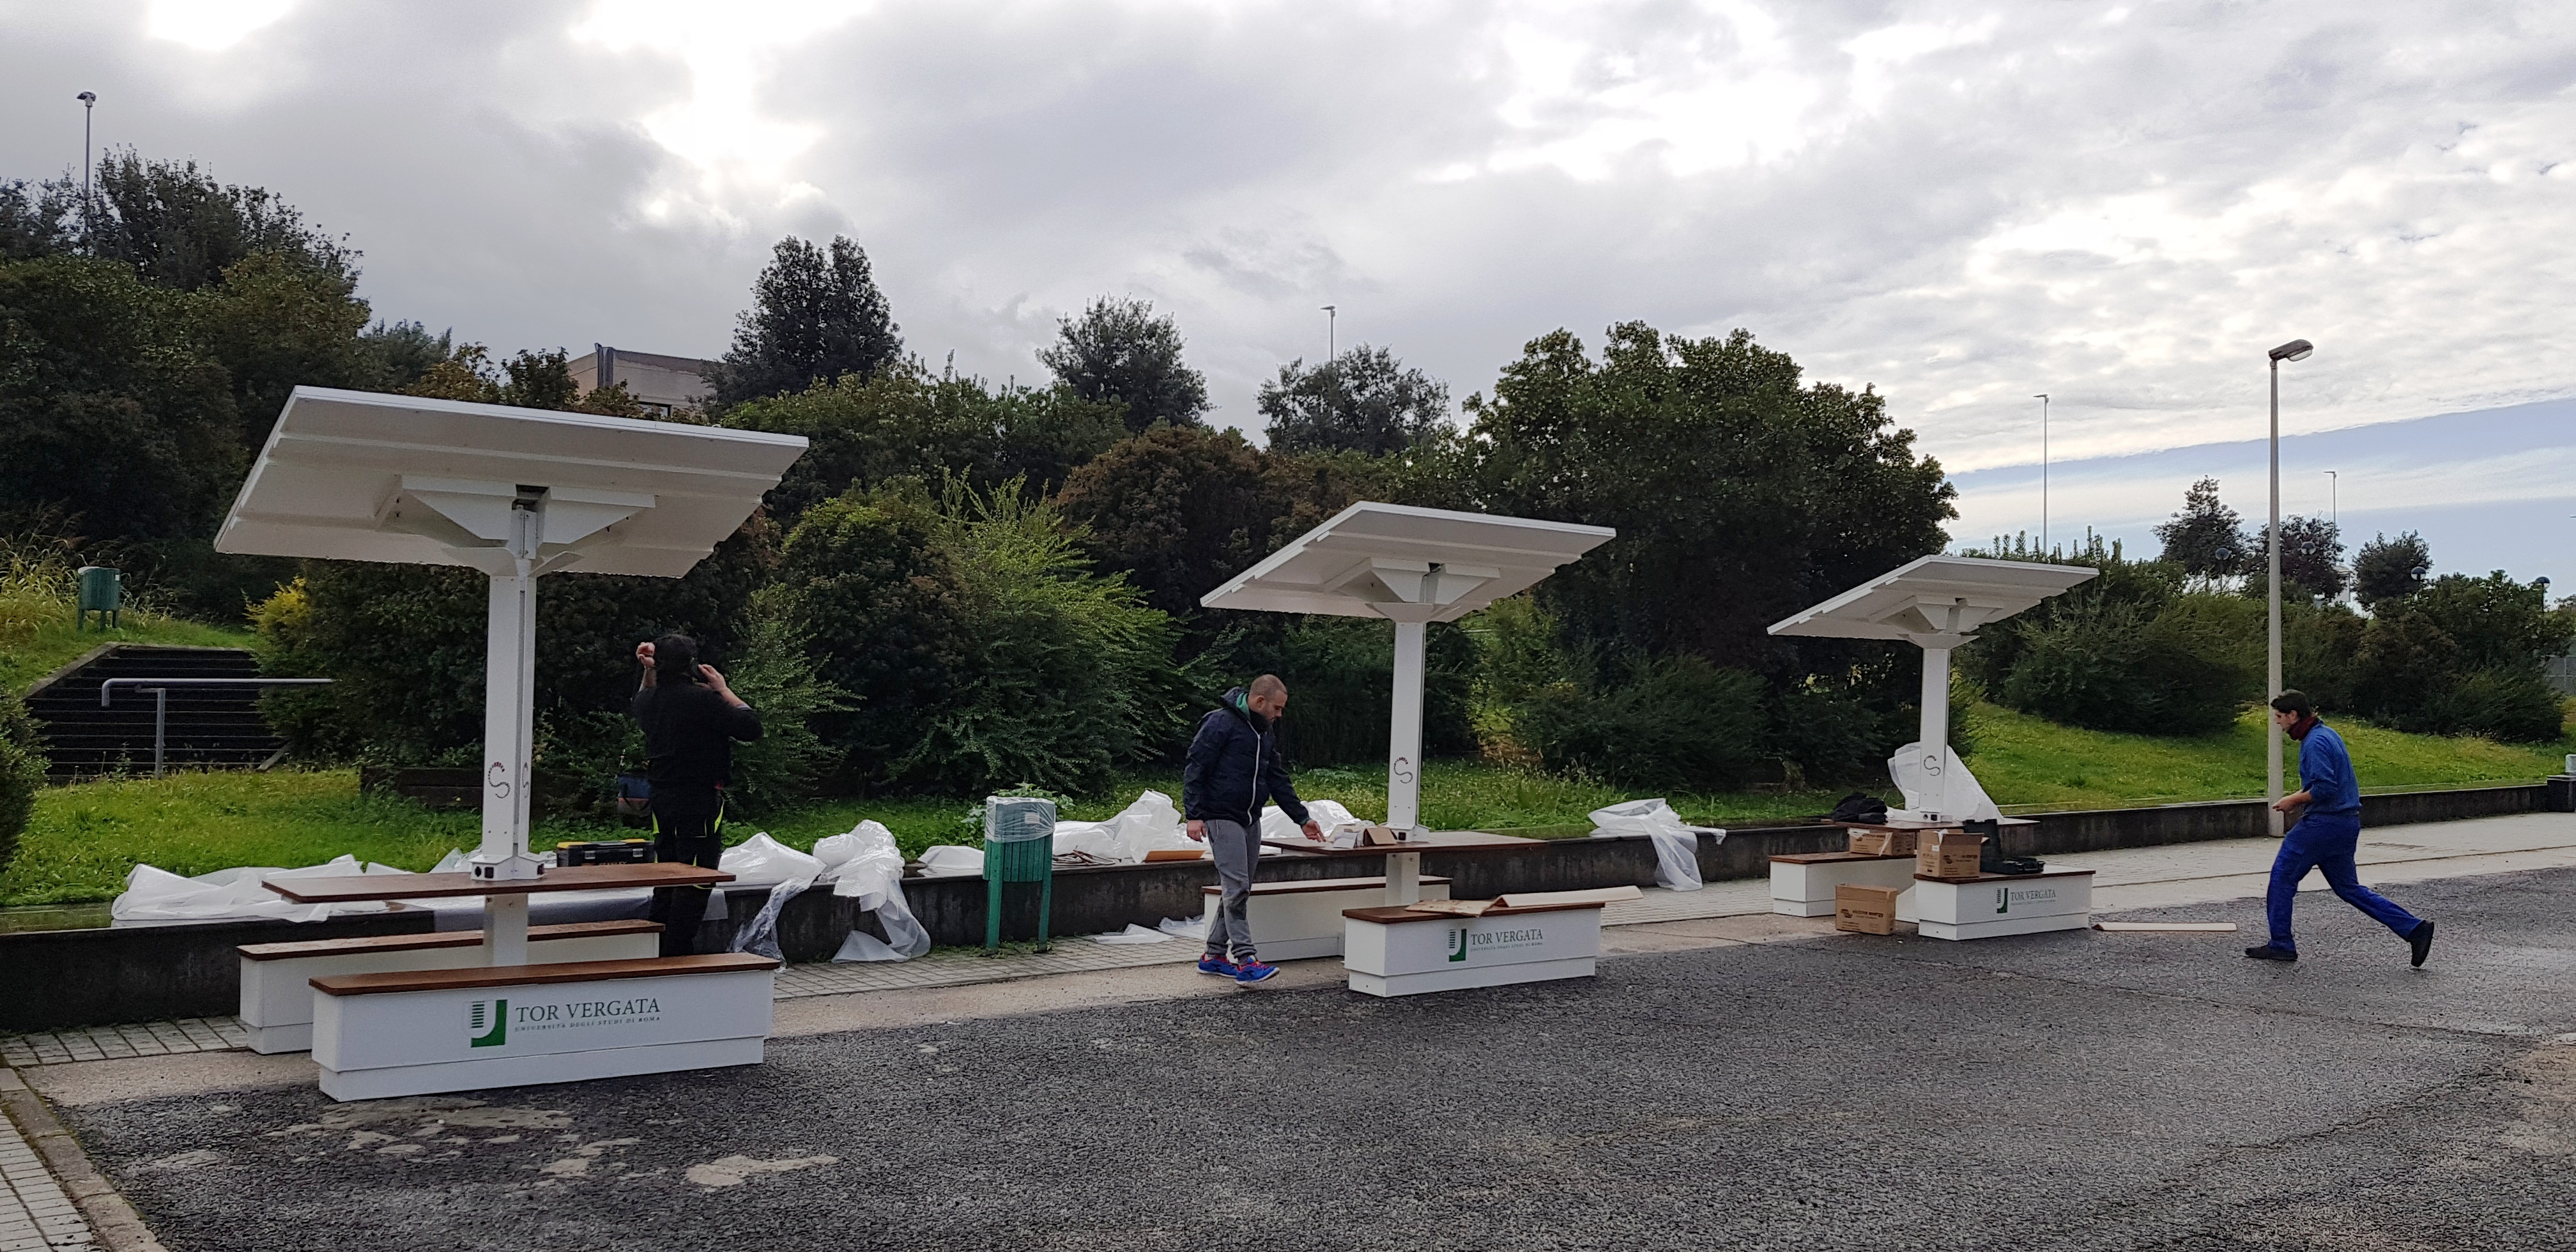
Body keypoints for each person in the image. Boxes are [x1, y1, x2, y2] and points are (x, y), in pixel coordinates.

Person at [2246, 690, 2434, 966]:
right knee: (2348, 888)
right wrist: (2302, 798)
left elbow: (2325, 788)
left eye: (2279, 716)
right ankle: (2414, 929)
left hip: (2321, 826)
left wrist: (2293, 800)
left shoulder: (2314, 743)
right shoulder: (2328, 734)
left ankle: (2281, 944)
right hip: (2346, 823)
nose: (2277, 722)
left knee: (2282, 879)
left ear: (2293, 715)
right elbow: (2328, 785)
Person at [1183, 675, 1322, 984]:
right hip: (1221, 816)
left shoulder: (1264, 732)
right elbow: (1196, 767)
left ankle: (1214, 956)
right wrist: (1194, 815)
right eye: (1277, 708)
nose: (1279, 715)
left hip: (1250, 819)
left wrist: (1302, 818)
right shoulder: (1220, 723)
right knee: (1237, 887)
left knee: (1239, 888)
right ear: (1260, 701)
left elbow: (1276, 777)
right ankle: (1246, 959)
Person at [631, 634, 762, 956]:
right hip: (699, 799)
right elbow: (751, 727)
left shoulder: (649, 702)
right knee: (697, 876)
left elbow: (645, 694)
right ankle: (679, 952)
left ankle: (656, 947)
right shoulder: (704, 701)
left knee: (667, 872)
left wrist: (648, 669)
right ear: (692, 665)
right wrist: (723, 689)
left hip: (662, 799)